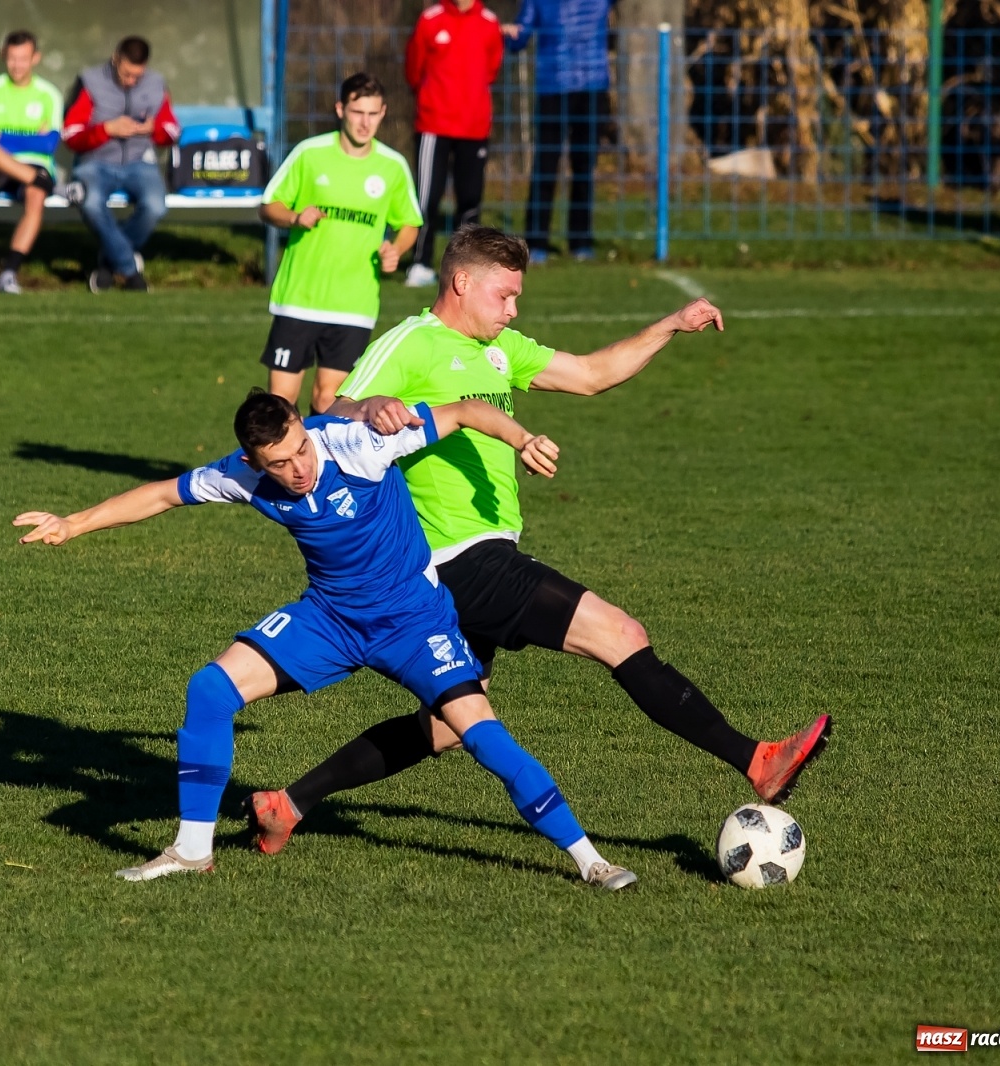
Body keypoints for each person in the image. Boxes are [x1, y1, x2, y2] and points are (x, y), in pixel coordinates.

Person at [245, 226, 831, 853]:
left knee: (445, 726)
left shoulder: (500, 350)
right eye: (505, 296)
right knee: (620, 635)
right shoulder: (412, 342)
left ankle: (289, 804)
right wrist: (377, 405)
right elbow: (335, 408)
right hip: (457, 557)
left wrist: (670, 325)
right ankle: (757, 760)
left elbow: (589, 374)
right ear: (462, 283)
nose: (513, 309)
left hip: (474, 561)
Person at [14, 388, 638, 891]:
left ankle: (590, 860)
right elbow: (160, 494)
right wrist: (74, 522)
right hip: (330, 621)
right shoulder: (246, 477)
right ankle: (192, 852)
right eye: (278, 464)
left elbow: (468, 411)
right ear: (255, 461)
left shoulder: (359, 443)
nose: (296, 469)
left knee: (481, 735)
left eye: (299, 451)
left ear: (302, 426)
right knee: (210, 689)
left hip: (414, 622)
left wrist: (524, 438)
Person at [258, 73, 422, 416]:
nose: (365, 123)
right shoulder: (310, 153)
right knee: (281, 404)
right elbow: (269, 205)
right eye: (358, 112)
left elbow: (409, 223)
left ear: (383, 113)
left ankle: (319, 470)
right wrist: (294, 218)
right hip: (299, 299)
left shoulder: (392, 166)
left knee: (328, 401)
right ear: (340, 109)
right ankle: (279, 470)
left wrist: (397, 249)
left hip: (354, 305)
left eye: (373, 114)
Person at [61, 36, 179, 293]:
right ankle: (129, 270)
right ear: (116, 59)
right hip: (96, 162)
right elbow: (70, 135)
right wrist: (106, 130)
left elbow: (172, 130)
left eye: (137, 76)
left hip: (140, 163)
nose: (131, 81)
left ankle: (108, 261)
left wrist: (153, 129)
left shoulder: (157, 84)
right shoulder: (90, 82)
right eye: (127, 74)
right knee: (90, 204)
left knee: (156, 206)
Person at [404, 0, 503, 288]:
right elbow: (414, 69)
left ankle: (467, 270)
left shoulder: (488, 22)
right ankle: (420, 262)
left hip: (474, 127)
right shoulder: (430, 19)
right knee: (427, 199)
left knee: (470, 202)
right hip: (434, 126)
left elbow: (491, 70)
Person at [504, 0, 611, 262]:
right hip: (553, 87)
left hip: (592, 86)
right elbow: (521, 36)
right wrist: (512, 35)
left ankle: (580, 241)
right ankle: (536, 241)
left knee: (584, 166)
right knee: (546, 166)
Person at [0, 30, 65, 295]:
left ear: (35, 58)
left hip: (33, 165)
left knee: (35, 195)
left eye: (23, 59)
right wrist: (28, 137)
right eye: (11, 58)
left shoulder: (49, 94)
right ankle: (44, 182)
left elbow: (49, 144)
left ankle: (8, 273)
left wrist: (5, 138)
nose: (17, 65)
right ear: (3, 57)